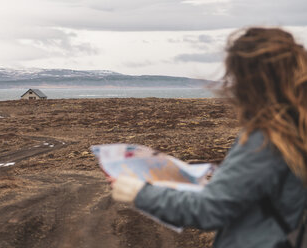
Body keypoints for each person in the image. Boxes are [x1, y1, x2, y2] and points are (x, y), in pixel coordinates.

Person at [111, 27, 307, 248]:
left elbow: (209, 210)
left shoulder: (268, 137)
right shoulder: (297, 126)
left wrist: (139, 193)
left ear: (248, 80)